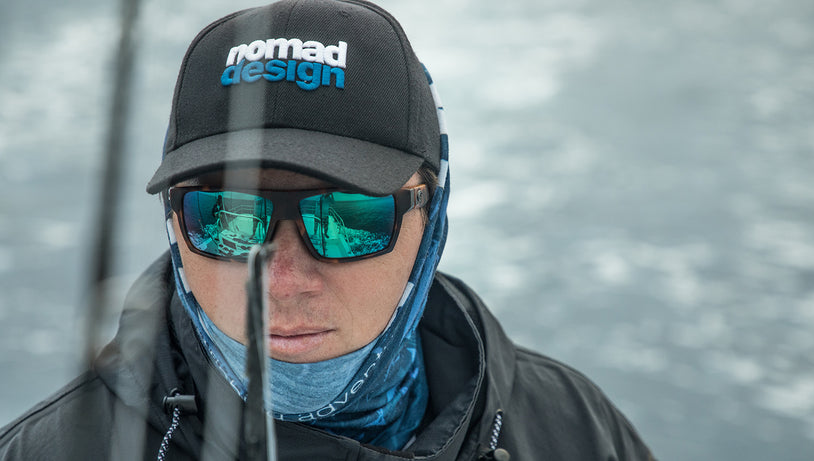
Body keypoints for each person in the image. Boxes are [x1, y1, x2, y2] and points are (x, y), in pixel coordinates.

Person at [0, 0, 655, 459]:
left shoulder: (576, 430)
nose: (281, 282)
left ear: (430, 220)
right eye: (227, 221)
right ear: (174, 222)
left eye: (347, 218)